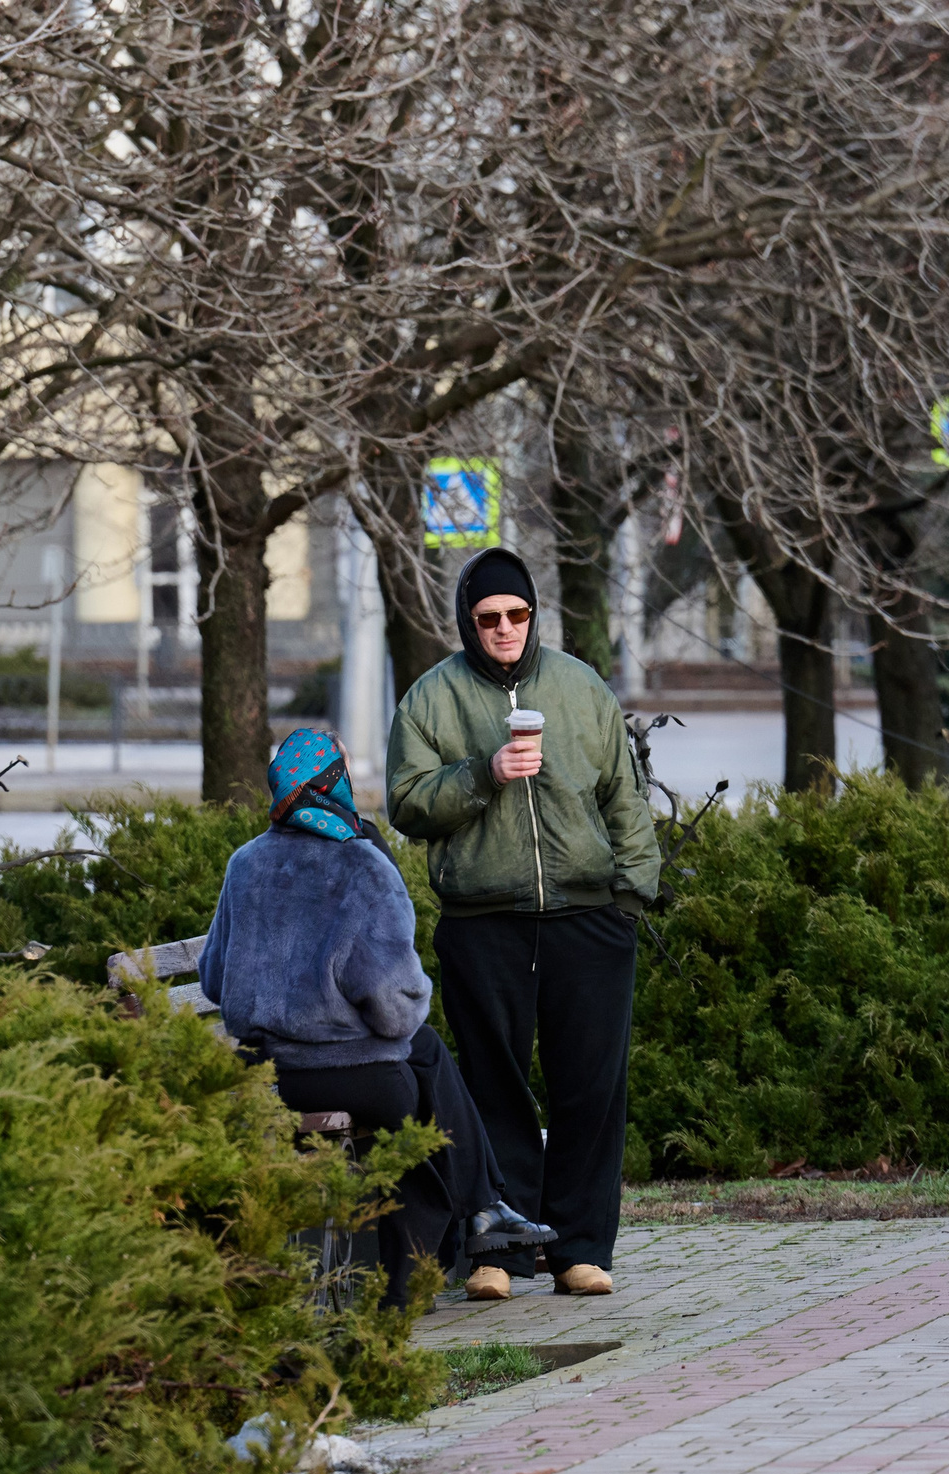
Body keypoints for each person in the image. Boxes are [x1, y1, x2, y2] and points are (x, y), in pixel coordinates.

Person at [386, 548, 660, 1301]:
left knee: (590, 1088)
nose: (504, 628)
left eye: (517, 614)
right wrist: (484, 772)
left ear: (534, 615)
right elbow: (406, 802)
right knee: (489, 1090)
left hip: (587, 917)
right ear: (467, 624)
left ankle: (580, 1248)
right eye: (488, 618)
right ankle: (499, 1251)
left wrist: (630, 898)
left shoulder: (580, 688)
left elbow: (624, 800)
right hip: (483, 921)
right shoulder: (430, 700)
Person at [197, 729, 552, 1307]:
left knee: (424, 1062)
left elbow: (214, 978)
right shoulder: (362, 865)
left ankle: (483, 1211)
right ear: (336, 785)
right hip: (353, 1077)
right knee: (419, 1082)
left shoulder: (245, 864)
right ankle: (451, 1241)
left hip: (259, 1072)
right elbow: (395, 1009)